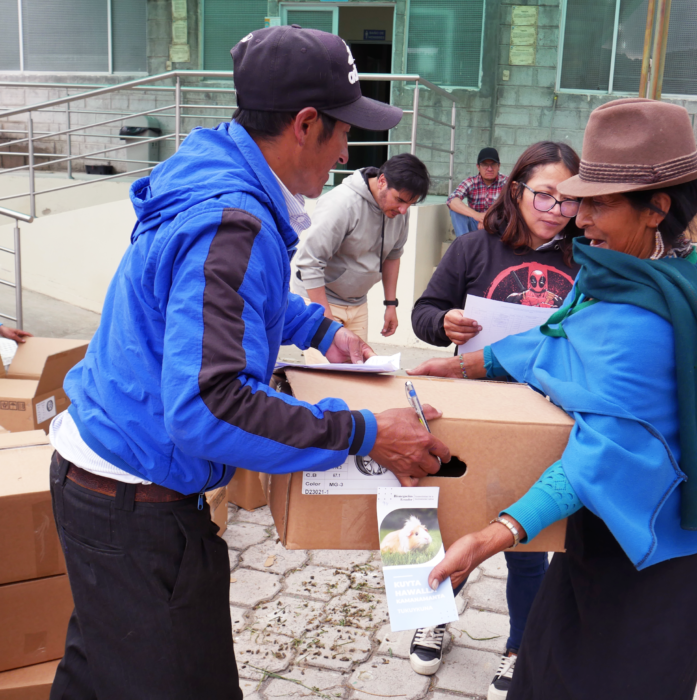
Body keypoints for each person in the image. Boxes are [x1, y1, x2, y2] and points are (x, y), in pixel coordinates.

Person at [47, 26, 451, 700]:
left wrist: (319, 328)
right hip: (135, 507)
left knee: (95, 679)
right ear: (305, 124)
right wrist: (362, 431)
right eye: (345, 131)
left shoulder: (217, 180)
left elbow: (229, 300)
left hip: (103, 479)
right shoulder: (229, 221)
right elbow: (210, 404)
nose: (349, 151)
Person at [407, 98, 697, 699]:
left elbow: (599, 456)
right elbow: (560, 338)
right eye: (579, 200)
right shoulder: (639, 271)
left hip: (652, 545)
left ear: (657, 207)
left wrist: (495, 533)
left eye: (599, 203)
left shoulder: (647, 319)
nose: (579, 219)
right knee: (550, 662)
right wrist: (477, 364)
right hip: (610, 523)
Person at [409, 142, 582, 700]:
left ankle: (519, 648)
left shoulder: (585, 260)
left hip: (543, 416)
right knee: (449, 522)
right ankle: (432, 612)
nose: (556, 209)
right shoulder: (472, 248)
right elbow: (423, 313)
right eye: (544, 195)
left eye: (569, 199)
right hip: (470, 410)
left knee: (526, 540)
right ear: (515, 189)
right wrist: (447, 323)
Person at [293, 153, 430, 363]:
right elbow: (309, 263)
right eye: (400, 200)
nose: (403, 210)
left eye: (410, 204)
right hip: (320, 300)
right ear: (382, 180)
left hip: (357, 304)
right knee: (326, 381)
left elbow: (393, 255)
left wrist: (391, 304)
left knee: (356, 377)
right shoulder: (342, 204)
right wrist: (328, 325)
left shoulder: (400, 211)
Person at [447, 147, 507, 236]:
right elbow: (451, 200)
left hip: (497, 224)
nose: (489, 169)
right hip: (475, 225)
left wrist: (487, 218)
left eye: (493, 164)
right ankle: (465, 245)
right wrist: (477, 216)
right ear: (478, 167)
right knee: (455, 211)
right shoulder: (471, 182)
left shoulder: (507, 182)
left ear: (499, 166)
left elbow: (516, 203)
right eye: (485, 165)